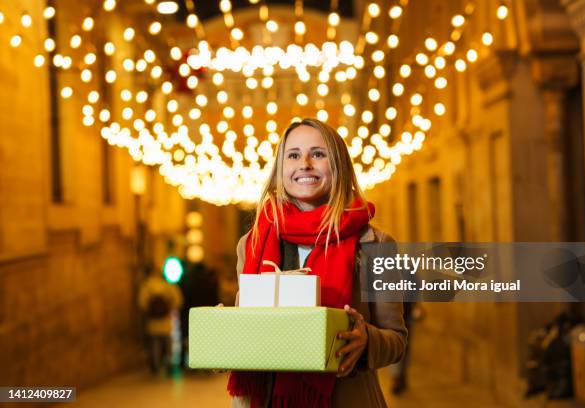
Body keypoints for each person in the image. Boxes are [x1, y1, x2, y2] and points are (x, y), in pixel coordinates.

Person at [227, 119, 407, 407]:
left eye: (318, 154)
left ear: (339, 166)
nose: (305, 164)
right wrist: (228, 328)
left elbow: (396, 339)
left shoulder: (377, 245)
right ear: (280, 168)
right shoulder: (252, 243)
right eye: (294, 155)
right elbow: (248, 329)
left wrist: (366, 341)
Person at [138, 265, 183, 375]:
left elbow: (142, 302)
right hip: (166, 321)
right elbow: (178, 300)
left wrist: (149, 311)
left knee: (154, 344)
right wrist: (170, 309)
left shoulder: (146, 286)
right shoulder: (167, 285)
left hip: (153, 322)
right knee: (167, 345)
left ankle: (155, 366)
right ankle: (169, 364)